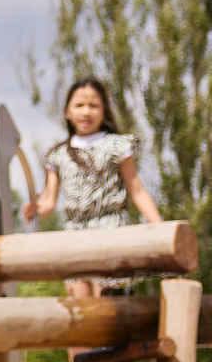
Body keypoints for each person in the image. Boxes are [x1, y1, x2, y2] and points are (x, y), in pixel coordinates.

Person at [21, 78, 163, 297]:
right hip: (75, 233)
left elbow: (137, 190)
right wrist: (34, 208)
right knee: (80, 300)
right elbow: (48, 202)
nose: (86, 112)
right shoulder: (58, 154)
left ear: (104, 111)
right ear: (67, 112)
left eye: (93, 105)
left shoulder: (117, 146)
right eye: (79, 105)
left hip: (110, 228)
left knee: (107, 297)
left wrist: (159, 228)